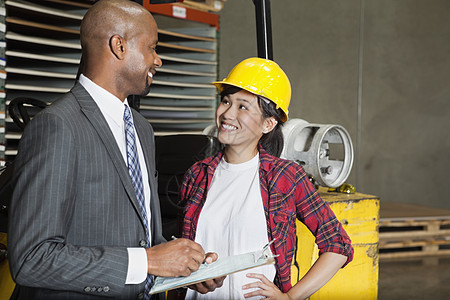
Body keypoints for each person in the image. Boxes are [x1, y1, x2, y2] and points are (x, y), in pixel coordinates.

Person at [8, 1, 221, 299]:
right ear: (119, 46)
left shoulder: (141, 129)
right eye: (152, 47)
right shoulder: (56, 126)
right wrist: (148, 261)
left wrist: (182, 265)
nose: (158, 60)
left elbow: (139, 234)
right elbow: (33, 258)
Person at [180, 57, 354, 300]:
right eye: (226, 101)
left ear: (269, 123)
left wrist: (291, 297)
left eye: (243, 106)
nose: (227, 113)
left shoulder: (285, 178)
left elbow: (338, 244)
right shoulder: (197, 174)